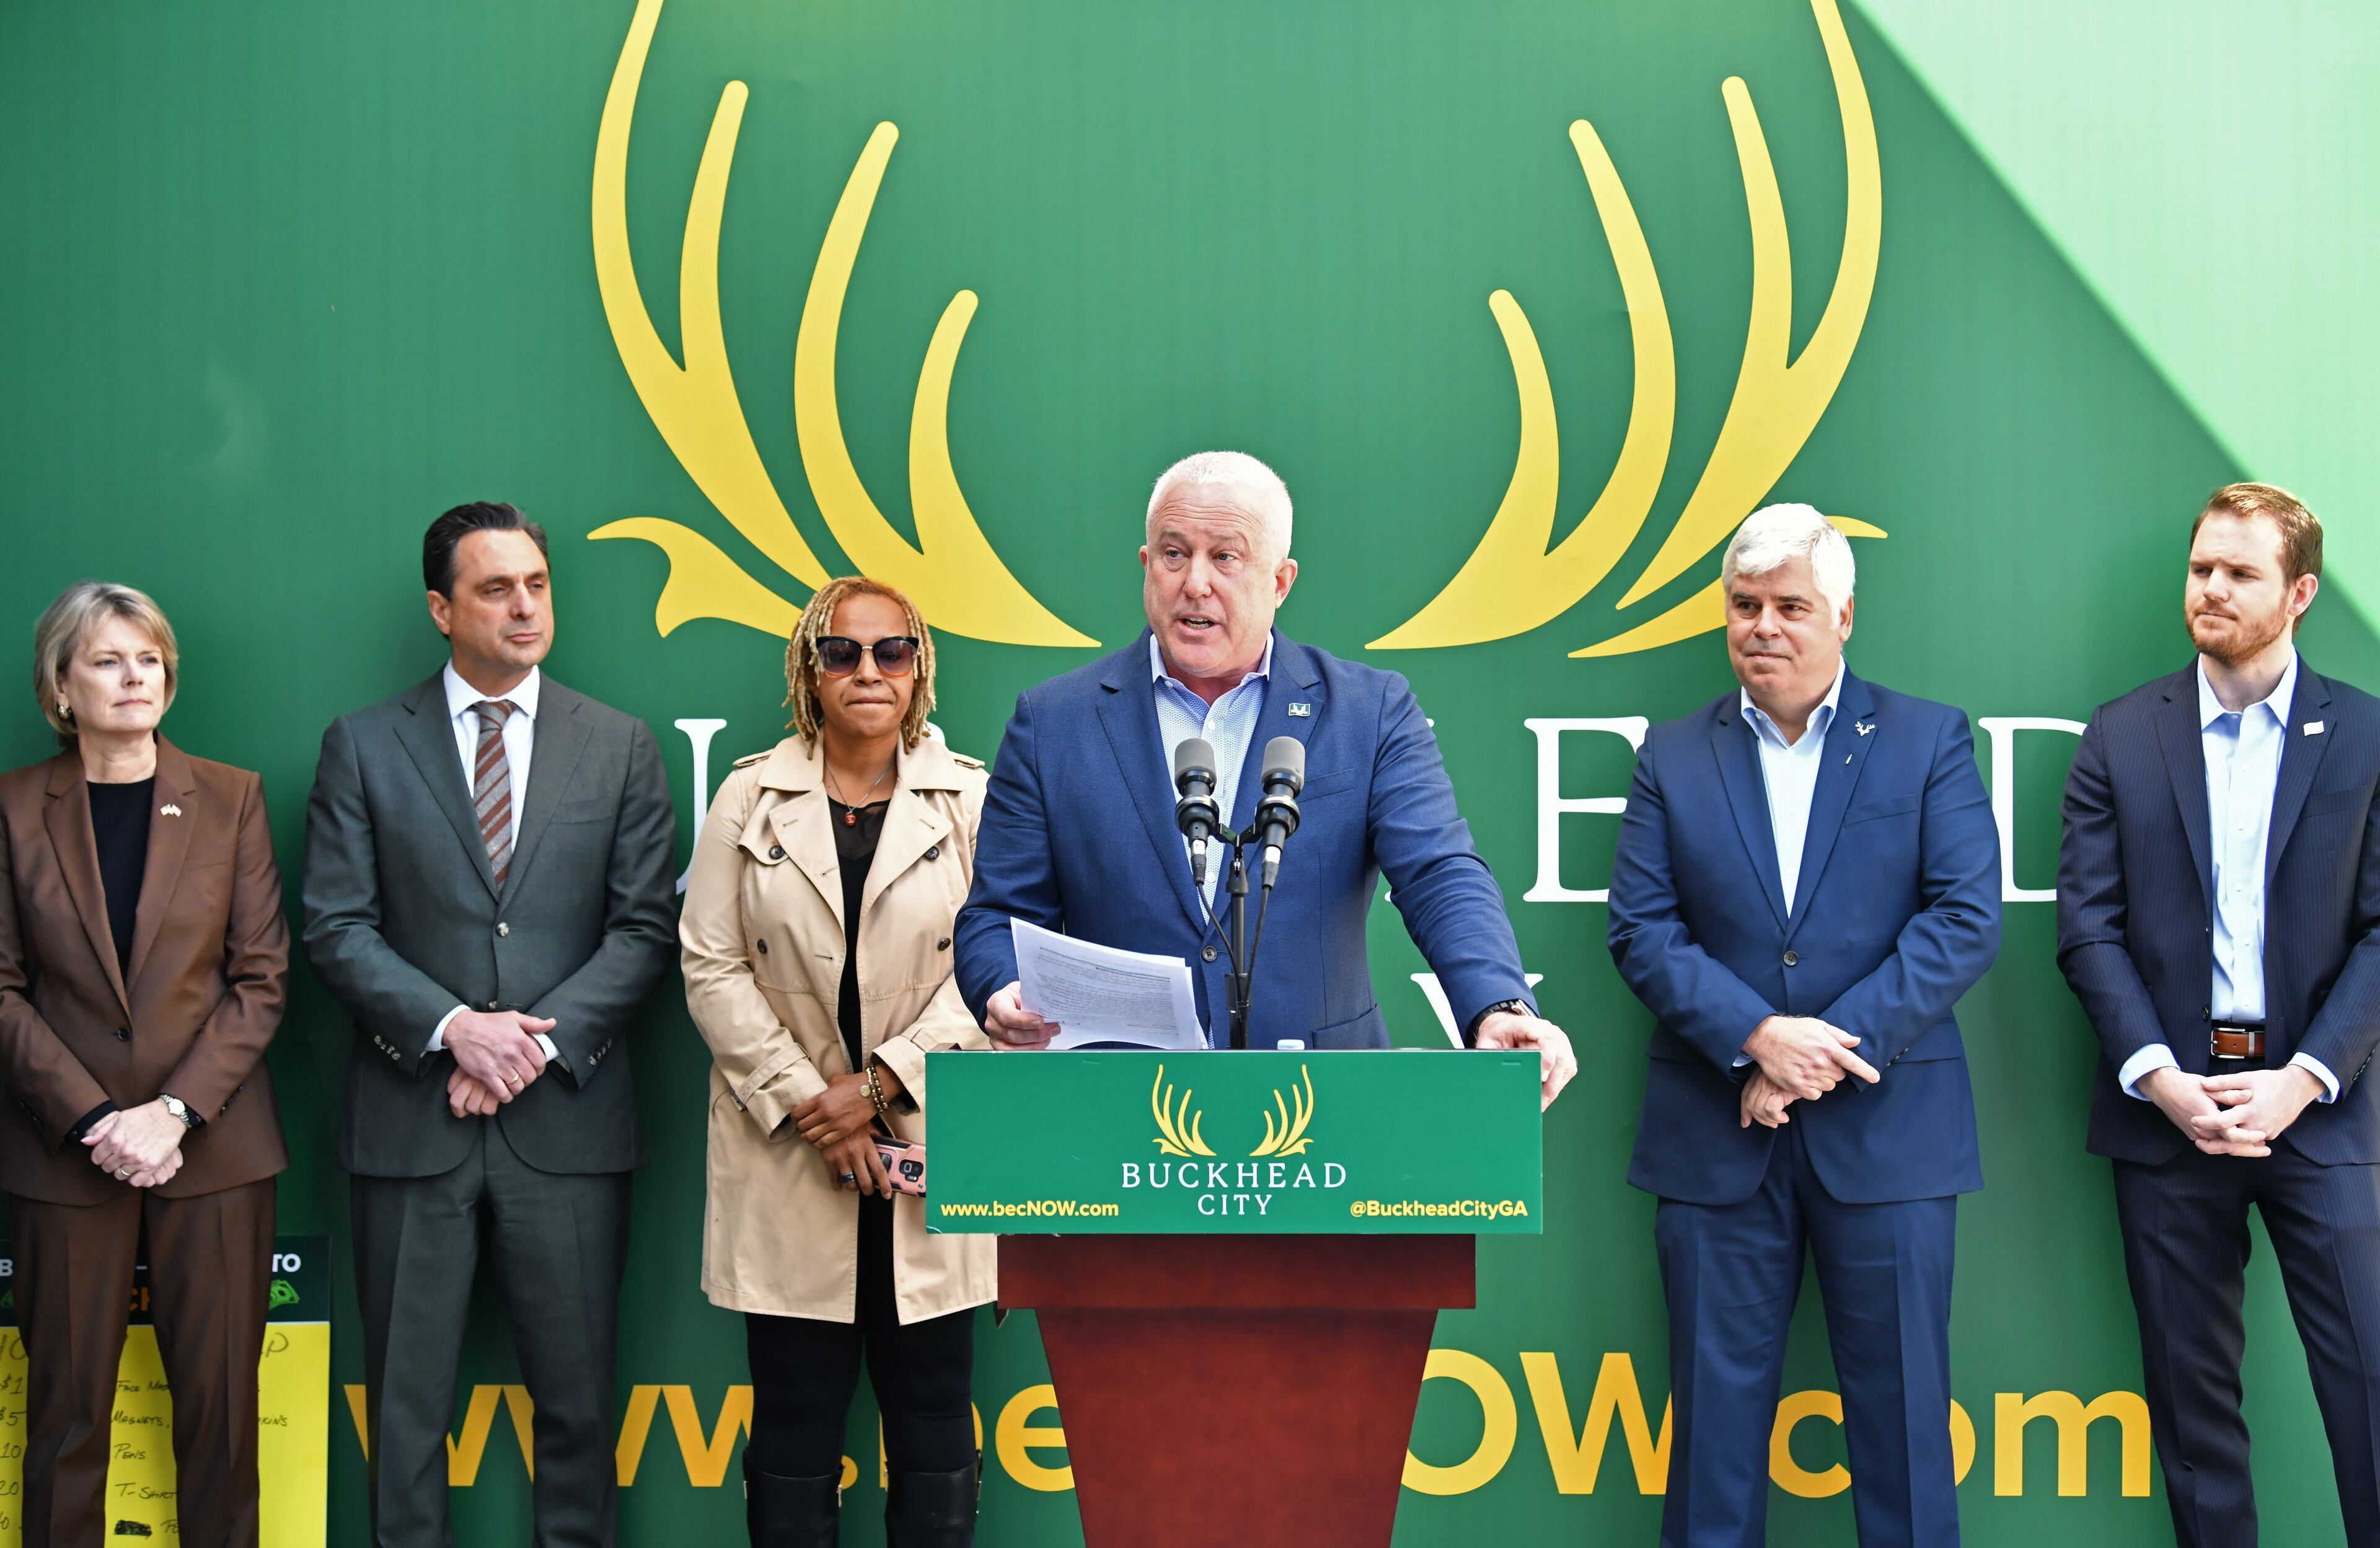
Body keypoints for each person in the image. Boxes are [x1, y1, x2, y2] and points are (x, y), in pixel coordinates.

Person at [1606, 503, 2002, 1547]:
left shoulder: (1925, 740)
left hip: (1891, 1141)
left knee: (1909, 1450)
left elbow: (1965, 918)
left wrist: (1814, 1053)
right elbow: (1641, 931)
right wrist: (1756, 1038)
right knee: (1711, 1460)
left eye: (1791, 606)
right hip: (1717, 1143)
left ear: (1843, 615)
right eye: (1745, 606)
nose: (1764, 627)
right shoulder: (1673, 756)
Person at [953, 450, 1576, 1099]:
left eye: (1226, 557)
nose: (1195, 583)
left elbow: (1439, 872)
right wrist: (999, 986)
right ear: (1146, 565)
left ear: (1280, 581)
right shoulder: (1055, 721)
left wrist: (1497, 1004)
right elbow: (996, 913)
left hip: (1322, 1113)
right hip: (1116, 1115)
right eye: (1173, 554)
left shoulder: (1368, 711)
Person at [301, 502, 677, 1548]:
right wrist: (456, 1027)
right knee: (407, 1417)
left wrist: (527, 1048)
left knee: (579, 1414)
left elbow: (645, 929)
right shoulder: (366, 745)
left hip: (566, 1128)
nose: (525, 606)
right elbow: (335, 925)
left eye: (537, 585)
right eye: (495, 588)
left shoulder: (620, 745)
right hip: (412, 1129)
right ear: (441, 608)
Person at [2056, 482, 2380, 1546]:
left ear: (2298, 594)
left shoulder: (2369, 736)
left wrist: (2301, 1079)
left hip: (2323, 1114)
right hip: (2169, 1120)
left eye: (2238, 573)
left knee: (2369, 1397)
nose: (2210, 589)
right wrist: (2161, 1077)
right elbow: (2087, 930)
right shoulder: (2118, 738)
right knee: (2194, 1425)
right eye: (2202, 568)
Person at [681, 577, 994, 1547]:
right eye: (843, 653)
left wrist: (882, 1084)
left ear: (919, 669)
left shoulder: (972, 797)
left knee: (936, 1416)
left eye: (891, 651)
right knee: (793, 1420)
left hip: (930, 1148)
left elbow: (1001, 964)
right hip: (789, 1153)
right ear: (809, 670)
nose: (868, 671)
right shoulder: (749, 794)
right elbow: (710, 958)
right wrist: (812, 1103)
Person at [0, 581, 289, 1547]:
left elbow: (261, 979)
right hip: (61, 1155)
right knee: (66, 1421)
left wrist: (171, 1113)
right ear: (61, 685)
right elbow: (0, 987)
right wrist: (93, 1119)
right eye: (107, 661)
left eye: (149, 659)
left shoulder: (232, 798)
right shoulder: (9, 808)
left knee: (220, 1421)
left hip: (212, 1153)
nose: (134, 679)